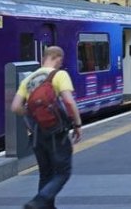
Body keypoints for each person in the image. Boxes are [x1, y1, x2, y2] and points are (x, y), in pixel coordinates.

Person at [10, 46, 82, 209]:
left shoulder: (28, 79)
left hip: (36, 133)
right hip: (56, 132)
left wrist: (34, 115)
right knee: (63, 172)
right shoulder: (59, 74)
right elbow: (69, 102)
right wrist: (77, 124)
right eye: (60, 60)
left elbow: (15, 107)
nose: (60, 63)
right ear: (57, 57)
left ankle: (45, 206)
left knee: (46, 173)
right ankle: (39, 201)